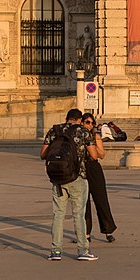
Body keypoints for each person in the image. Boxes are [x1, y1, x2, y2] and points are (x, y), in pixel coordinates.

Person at [41, 108, 99, 262]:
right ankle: (83, 250)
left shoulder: (55, 130)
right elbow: (94, 155)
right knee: (78, 214)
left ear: (67, 118)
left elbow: (43, 154)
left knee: (58, 214)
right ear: (79, 120)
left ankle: (56, 251)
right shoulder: (82, 131)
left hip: (58, 179)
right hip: (77, 178)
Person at [81, 113, 116, 244]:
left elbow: (102, 155)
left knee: (101, 200)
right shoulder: (78, 136)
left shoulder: (96, 136)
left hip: (94, 169)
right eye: (87, 122)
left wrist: (93, 146)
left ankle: (108, 231)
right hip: (82, 169)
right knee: (84, 203)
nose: (89, 125)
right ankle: (86, 232)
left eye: (91, 123)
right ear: (82, 123)